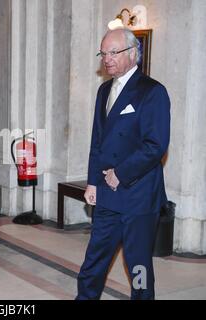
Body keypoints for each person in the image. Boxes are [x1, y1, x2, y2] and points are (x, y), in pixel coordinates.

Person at [77, 28, 171, 300]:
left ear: (133, 53)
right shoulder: (104, 89)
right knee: (93, 261)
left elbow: (156, 144)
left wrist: (121, 173)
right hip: (106, 194)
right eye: (103, 53)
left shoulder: (152, 92)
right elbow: (97, 141)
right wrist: (92, 181)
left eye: (113, 52)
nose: (106, 59)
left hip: (139, 197)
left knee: (138, 266)